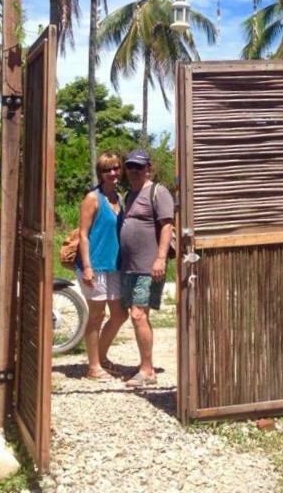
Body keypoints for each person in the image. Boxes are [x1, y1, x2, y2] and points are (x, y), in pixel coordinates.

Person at [119, 148, 174, 388]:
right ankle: (145, 363)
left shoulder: (158, 192)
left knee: (138, 315)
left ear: (148, 168)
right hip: (129, 267)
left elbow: (167, 226)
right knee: (138, 316)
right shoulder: (129, 195)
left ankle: (147, 370)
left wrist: (160, 258)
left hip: (148, 266)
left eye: (138, 167)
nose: (133, 171)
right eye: (130, 166)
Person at [76, 152, 129, 380]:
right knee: (96, 315)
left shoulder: (119, 199)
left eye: (116, 168)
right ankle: (93, 367)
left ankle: (101, 356)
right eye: (107, 170)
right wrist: (87, 267)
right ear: (100, 173)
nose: (113, 173)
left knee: (119, 314)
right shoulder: (93, 198)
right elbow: (83, 234)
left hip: (114, 265)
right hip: (94, 265)